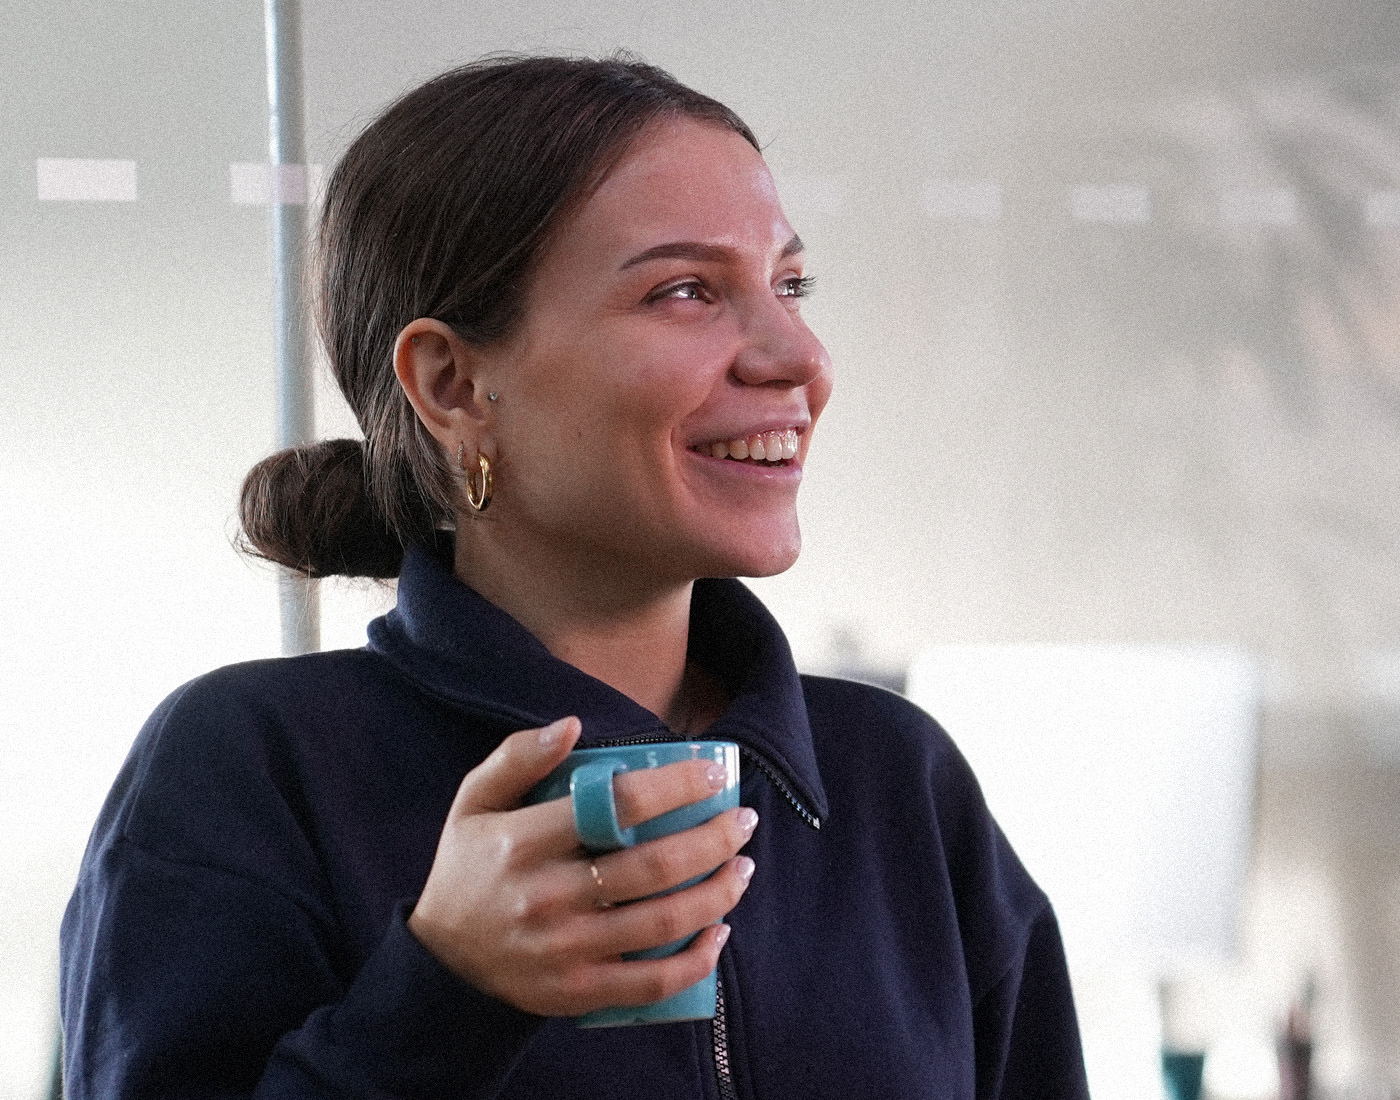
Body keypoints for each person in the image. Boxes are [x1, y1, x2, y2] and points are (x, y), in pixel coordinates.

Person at [60, 55, 1090, 1099]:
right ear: (453, 382)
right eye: (684, 290)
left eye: (788, 284)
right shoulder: (249, 767)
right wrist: (445, 989)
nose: (795, 355)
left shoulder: (895, 778)